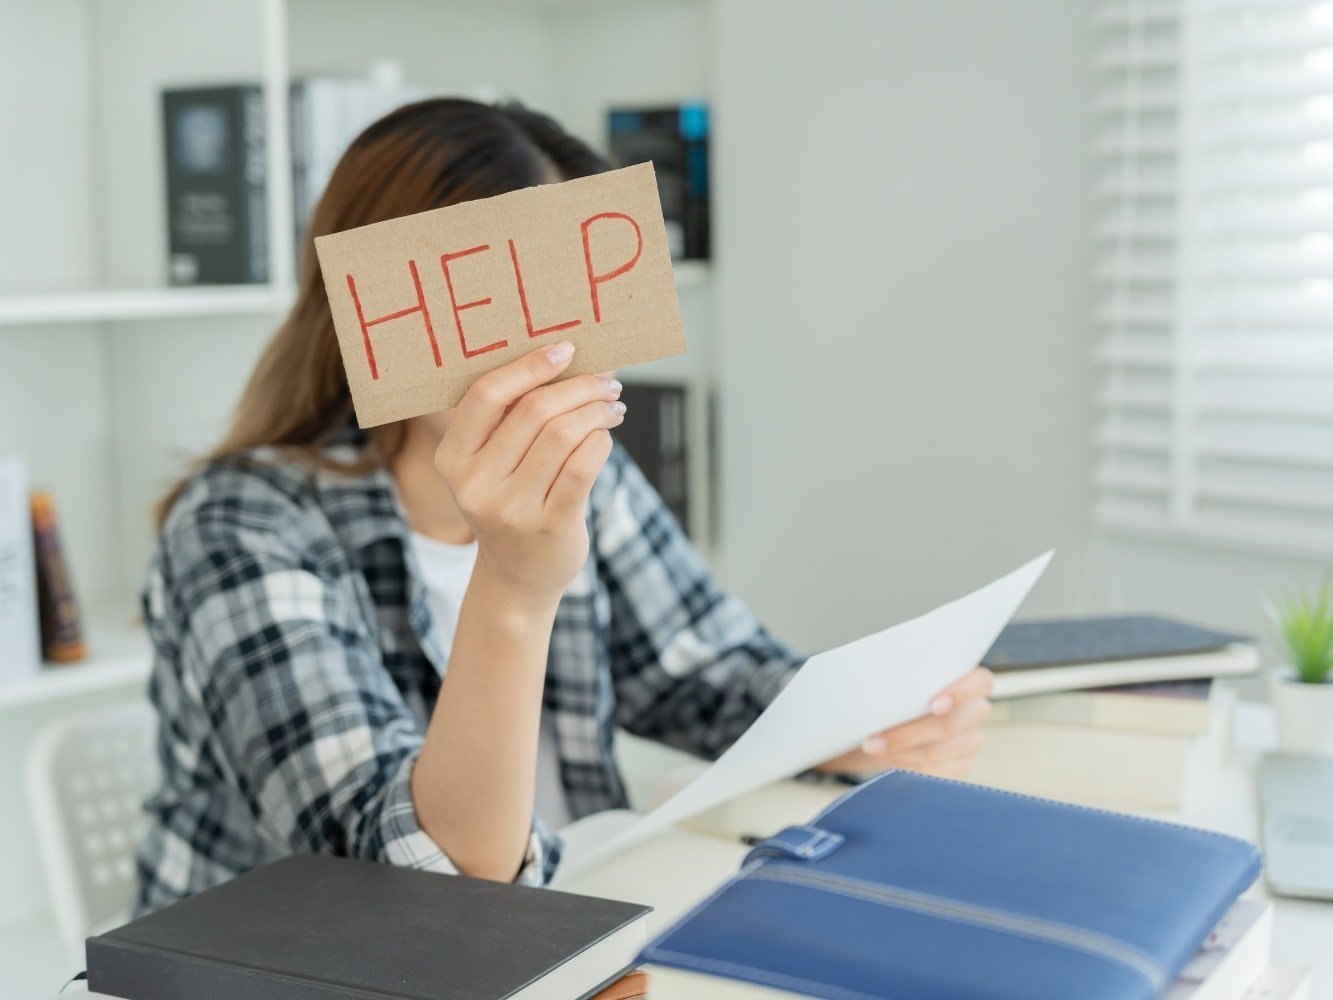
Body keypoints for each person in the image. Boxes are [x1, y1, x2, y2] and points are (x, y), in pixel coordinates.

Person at [135, 98, 993, 913]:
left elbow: (707, 672)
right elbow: (424, 886)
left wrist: (864, 723)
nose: (533, 344)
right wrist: (516, 583)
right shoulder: (240, 526)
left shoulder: (586, 475)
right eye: (490, 297)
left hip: (574, 925)